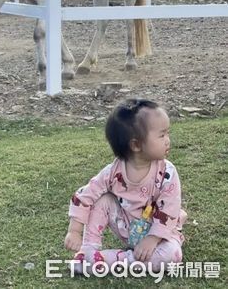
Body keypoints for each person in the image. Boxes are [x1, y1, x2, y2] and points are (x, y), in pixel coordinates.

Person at [64, 99, 187, 274]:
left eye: (168, 133)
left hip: (159, 235)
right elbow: (85, 195)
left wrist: (152, 238)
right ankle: (89, 251)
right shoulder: (112, 173)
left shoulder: (167, 172)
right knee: (103, 200)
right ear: (136, 145)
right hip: (128, 228)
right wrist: (74, 231)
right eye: (162, 135)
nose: (168, 140)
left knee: (172, 255)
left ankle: (109, 260)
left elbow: (169, 209)